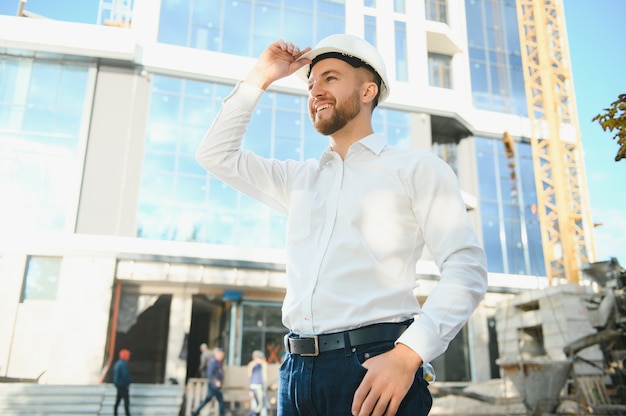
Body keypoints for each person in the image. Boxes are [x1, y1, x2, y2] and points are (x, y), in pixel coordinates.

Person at [195, 34, 488, 416]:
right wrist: (261, 76)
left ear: (368, 91)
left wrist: (408, 355)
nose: (315, 90)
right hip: (295, 374)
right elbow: (214, 154)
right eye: (311, 83)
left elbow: (466, 270)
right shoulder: (299, 179)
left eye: (330, 78)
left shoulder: (417, 169)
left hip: (374, 368)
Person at [192, 347, 225, 416]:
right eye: (221, 355)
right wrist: (215, 381)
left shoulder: (219, 363)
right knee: (221, 400)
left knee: (207, 400)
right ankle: (222, 414)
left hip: (215, 385)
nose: (222, 356)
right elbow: (209, 374)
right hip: (213, 385)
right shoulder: (213, 362)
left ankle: (196, 413)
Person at [245, 350, 268, 416]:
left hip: (262, 388)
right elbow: (251, 378)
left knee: (262, 406)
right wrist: (251, 390)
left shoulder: (263, 364)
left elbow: (265, 378)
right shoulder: (254, 365)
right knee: (258, 406)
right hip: (257, 388)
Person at [113, 348, 132, 416]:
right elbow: (125, 375)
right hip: (123, 385)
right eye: (128, 355)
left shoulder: (118, 363)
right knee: (126, 402)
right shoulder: (123, 364)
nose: (129, 357)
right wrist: (128, 383)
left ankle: (115, 413)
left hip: (118, 385)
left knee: (118, 400)